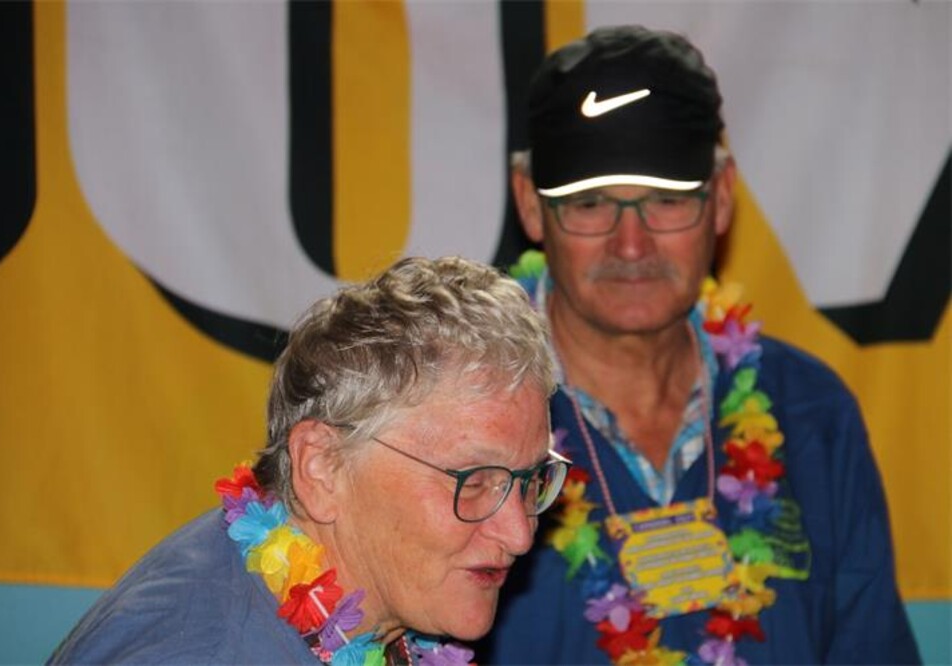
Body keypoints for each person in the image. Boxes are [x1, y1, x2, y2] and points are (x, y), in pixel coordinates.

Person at [476, 25, 921, 665]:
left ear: (722, 197)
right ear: (528, 202)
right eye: (591, 203)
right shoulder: (463, 415)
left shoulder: (811, 413)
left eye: (666, 200)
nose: (632, 244)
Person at [49, 256, 569, 665]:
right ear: (322, 467)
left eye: (530, 480)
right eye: (474, 480)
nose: (519, 534)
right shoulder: (200, 654)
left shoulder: (379, 620)